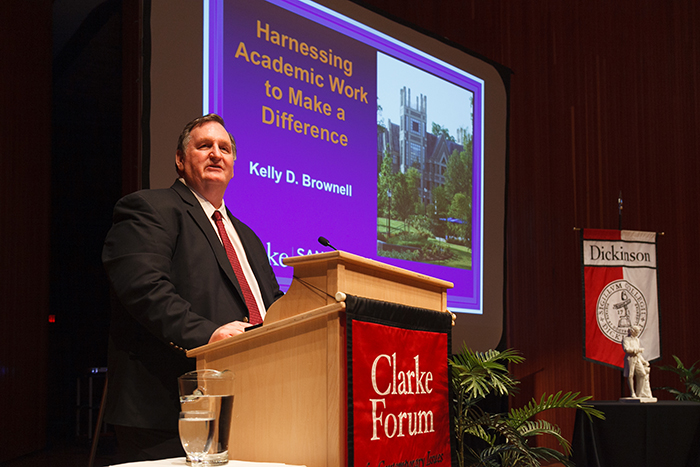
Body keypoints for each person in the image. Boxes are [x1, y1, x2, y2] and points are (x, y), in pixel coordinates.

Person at [102, 114, 284, 461]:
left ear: (233, 165)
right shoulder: (150, 208)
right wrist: (208, 336)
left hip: (250, 402)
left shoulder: (248, 237)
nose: (216, 154)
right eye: (204, 146)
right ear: (180, 160)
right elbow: (144, 288)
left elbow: (271, 305)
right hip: (166, 408)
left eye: (224, 148)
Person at [622, 325, 652, 398]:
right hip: (630, 358)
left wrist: (644, 361)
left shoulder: (637, 340)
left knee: (642, 374)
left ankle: (640, 393)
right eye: (636, 332)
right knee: (630, 375)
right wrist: (637, 350)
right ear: (632, 331)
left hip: (637, 358)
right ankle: (633, 392)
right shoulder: (626, 339)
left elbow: (638, 354)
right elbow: (626, 349)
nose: (637, 333)